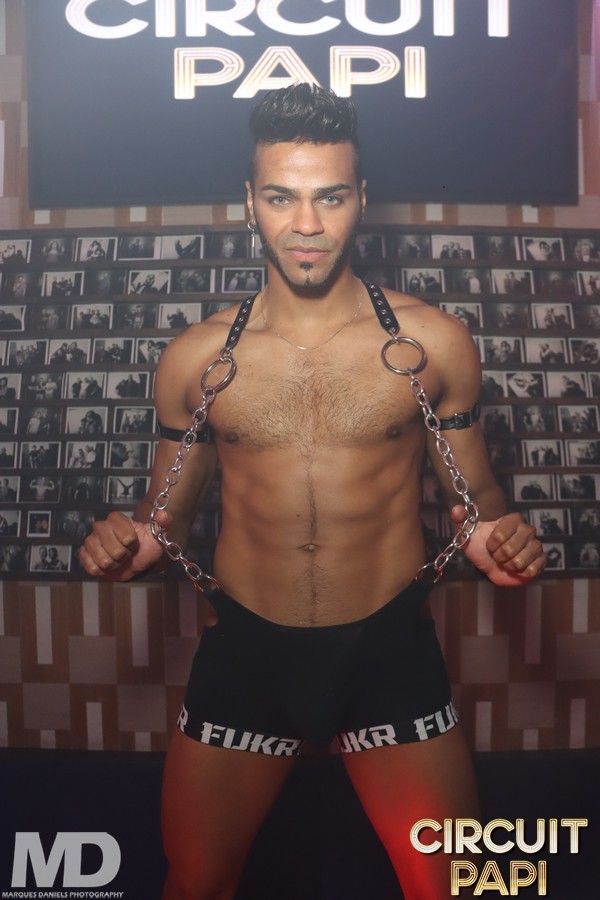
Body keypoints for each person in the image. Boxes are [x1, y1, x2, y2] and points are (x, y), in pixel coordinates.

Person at [81, 84, 546, 900]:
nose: (306, 224)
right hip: (248, 649)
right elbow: (164, 520)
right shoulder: (196, 358)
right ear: (249, 202)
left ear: (361, 198)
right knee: (197, 882)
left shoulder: (434, 341)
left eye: (329, 197)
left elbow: (478, 507)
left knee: (454, 885)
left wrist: (501, 541)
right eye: (281, 197)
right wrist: (127, 544)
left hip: (387, 647)